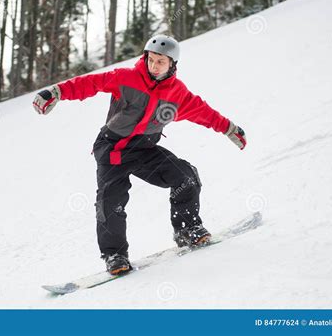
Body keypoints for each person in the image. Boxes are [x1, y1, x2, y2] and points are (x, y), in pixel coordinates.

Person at [33, 35, 246, 275]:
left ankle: (187, 230)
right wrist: (56, 92)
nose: (154, 66)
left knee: (186, 177)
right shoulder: (126, 78)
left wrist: (229, 128)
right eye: (151, 60)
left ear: (172, 65)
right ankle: (115, 255)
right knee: (111, 203)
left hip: (145, 150)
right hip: (112, 150)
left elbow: (203, 112)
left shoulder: (177, 94)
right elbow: (90, 83)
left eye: (161, 62)